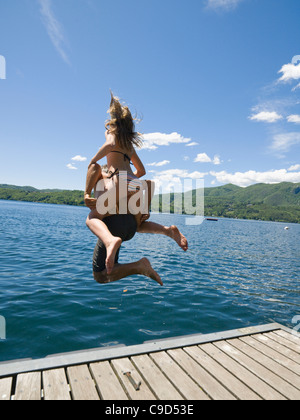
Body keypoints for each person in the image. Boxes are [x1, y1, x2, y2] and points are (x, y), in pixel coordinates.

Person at [85, 93, 188, 276]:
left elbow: (109, 145)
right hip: (137, 185)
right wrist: (130, 180)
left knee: (92, 217)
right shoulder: (129, 146)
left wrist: (94, 161)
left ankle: (109, 241)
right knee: (139, 225)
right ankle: (168, 231)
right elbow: (142, 171)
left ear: (114, 124)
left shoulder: (112, 134)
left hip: (120, 182)